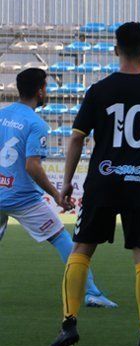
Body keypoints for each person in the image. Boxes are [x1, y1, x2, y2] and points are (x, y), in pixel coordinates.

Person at [48, 22, 140, 346]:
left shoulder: (99, 91)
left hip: (102, 182)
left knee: (82, 249)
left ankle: (68, 324)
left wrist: (67, 181)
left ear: (115, 50)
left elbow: (77, 137)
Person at [0, 68, 116, 308]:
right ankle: (91, 292)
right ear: (40, 90)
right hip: (22, 199)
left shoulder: (2, 115)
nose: (48, 92)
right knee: (61, 238)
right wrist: (56, 195)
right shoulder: (36, 124)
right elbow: (32, 166)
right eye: (47, 87)